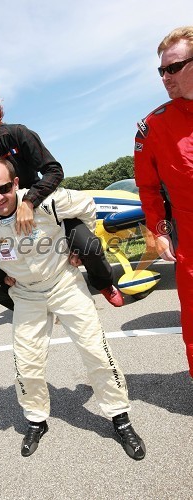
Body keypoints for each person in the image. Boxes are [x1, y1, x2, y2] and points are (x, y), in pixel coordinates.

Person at [0, 155, 146, 460]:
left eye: (4, 188)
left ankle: (120, 418)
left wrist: (80, 246)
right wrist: (4, 268)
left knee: (95, 351)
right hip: (26, 295)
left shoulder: (47, 203)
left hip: (64, 283)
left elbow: (88, 207)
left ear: (16, 184)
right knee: (26, 363)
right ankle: (36, 420)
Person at [0, 78, 124, 309]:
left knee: (89, 246)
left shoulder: (18, 135)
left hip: (42, 208)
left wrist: (29, 202)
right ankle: (30, 308)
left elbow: (54, 171)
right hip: (6, 223)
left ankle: (103, 283)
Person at [134, 26, 193, 377]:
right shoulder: (152, 127)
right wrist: (159, 231)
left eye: (174, 67)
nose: (165, 77)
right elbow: (147, 188)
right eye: (161, 70)